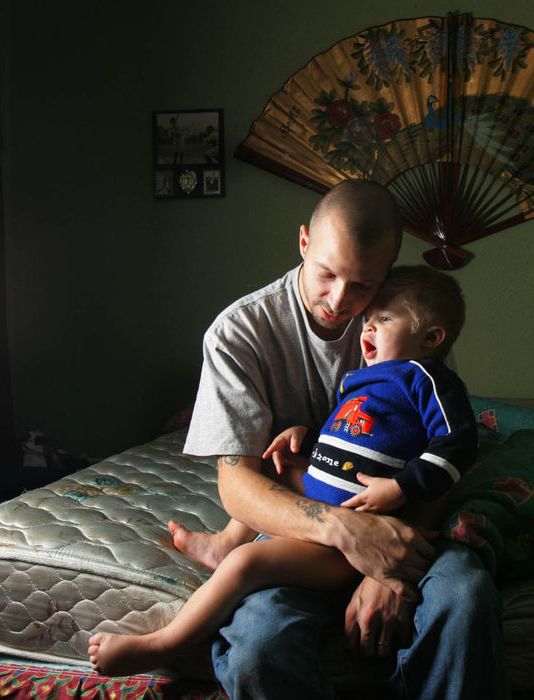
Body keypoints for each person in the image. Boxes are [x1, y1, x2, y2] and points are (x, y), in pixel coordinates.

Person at [121, 179, 506, 699]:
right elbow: (238, 489)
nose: (340, 301)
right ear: (304, 242)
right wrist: (347, 532)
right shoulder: (239, 333)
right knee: (258, 645)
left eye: (364, 286)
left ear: (388, 273)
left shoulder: (405, 321)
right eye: (327, 274)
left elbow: (439, 457)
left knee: (466, 594)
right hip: (299, 531)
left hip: (398, 520)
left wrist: (387, 573)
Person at [87, 266, 478, 676]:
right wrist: (304, 439)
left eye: (383, 319)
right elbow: (349, 437)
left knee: (247, 565)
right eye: (367, 320)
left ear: (431, 338)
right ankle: (224, 542)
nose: (367, 328)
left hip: (356, 531)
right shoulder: (365, 379)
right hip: (326, 494)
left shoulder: (429, 379)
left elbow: (459, 445)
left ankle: (162, 645)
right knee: (268, 473)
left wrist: (402, 488)